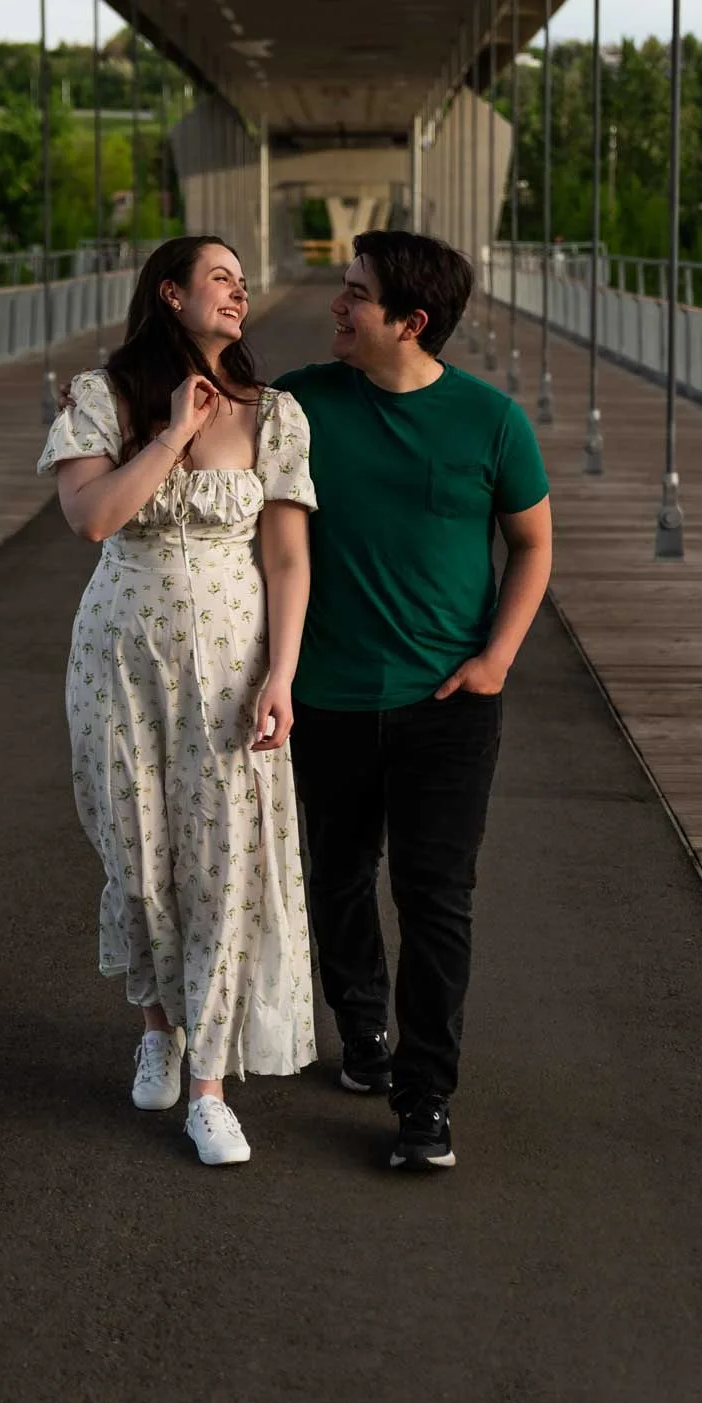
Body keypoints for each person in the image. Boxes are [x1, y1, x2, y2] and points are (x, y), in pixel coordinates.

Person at [37, 234, 317, 1166]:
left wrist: (282, 673)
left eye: (243, 282)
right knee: (139, 851)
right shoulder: (101, 397)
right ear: (170, 294)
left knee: (224, 860)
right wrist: (168, 434)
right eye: (221, 279)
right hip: (121, 659)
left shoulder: (274, 413)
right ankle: (159, 1025)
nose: (239, 294)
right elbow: (93, 519)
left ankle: (210, 1087)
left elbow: (284, 554)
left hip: (235, 662)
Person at [277, 230, 552, 1172]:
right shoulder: (302, 404)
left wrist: (497, 660)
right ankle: (362, 1034)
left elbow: (533, 545)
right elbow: (195, 406)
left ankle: (426, 1095)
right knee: (340, 875)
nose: (336, 306)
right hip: (331, 698)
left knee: (436, 897)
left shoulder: (491, 421)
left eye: (354, 294)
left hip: (450, 704)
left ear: (411, 320)